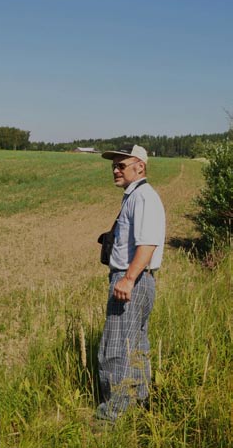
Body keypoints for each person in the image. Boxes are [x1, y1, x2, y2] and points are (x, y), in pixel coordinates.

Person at [96, 144, 166, 421]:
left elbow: (147, 243)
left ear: (140, 166)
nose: (115, 169)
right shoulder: (136, 196)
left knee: (115, 349)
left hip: (132, 281)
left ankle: (112, 417)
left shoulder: (143, 198)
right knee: (135, 347)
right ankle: (138, 408)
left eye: (120, 165)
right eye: (113, 165)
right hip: (138, 280)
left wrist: (127, 278)